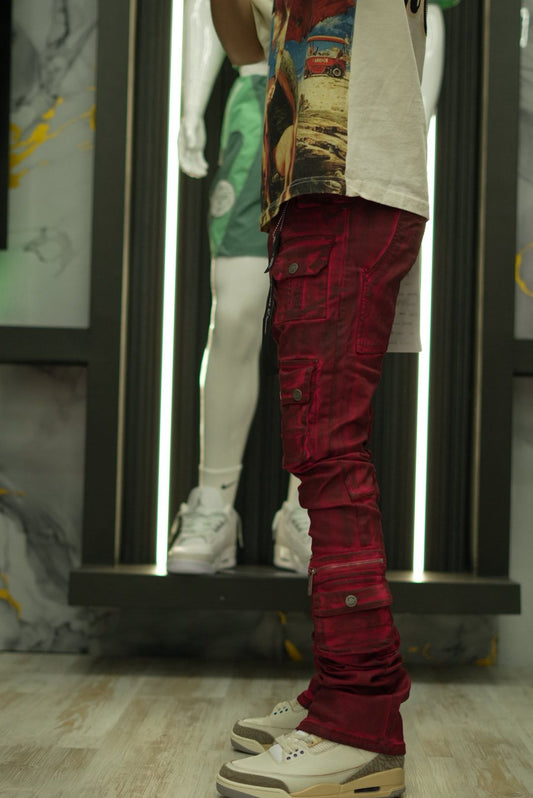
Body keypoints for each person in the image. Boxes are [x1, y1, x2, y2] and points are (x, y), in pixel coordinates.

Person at [209, 1, 448, 796]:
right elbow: (245, 47)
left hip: (348, 181)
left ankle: (359, 721)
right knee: (321, 451)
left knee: (328, 451)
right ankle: (339, 691)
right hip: (319, 183)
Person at [167, 0, 312, 576]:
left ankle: (306, 507)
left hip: (348, 104)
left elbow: (425, 18)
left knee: (324, 316)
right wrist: (191, 106)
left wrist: (410, 118)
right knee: (233, 313)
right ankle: (213, 503)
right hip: (258, 97)